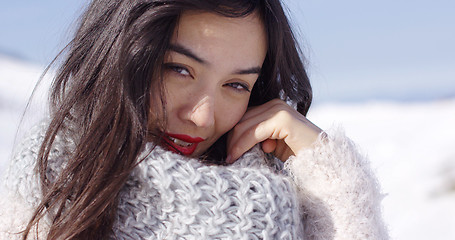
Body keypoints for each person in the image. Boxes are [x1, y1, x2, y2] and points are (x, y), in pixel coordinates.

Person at [0, 0, 389, 239]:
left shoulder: (279, 203)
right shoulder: (48, 187)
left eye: (236, 85)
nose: (202, 117)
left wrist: (332, 183)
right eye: (179, 70)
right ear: (117, 54)